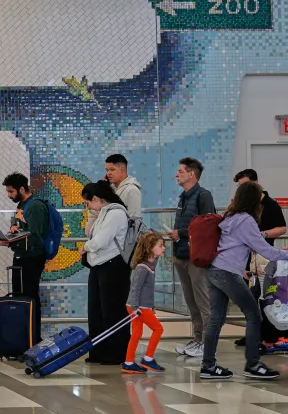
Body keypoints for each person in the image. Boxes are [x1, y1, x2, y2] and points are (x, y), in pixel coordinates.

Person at [200, 181, 288, 380]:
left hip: (214, 270)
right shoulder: (246, 220)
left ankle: (208, 366)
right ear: (254, 200)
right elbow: (263, 248)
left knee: (216, 319)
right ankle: (253, 364)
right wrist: (285, 255)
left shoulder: (229, 216)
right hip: (227, 273)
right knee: (253, 315)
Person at [232, 169, 287, 348]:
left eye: (244, 186)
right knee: (249, 297)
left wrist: (261, 235)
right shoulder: (245, 207)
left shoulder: (270, 205)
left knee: (264, 297)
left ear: (255, 183)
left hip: (264, 258)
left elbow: (282, 228)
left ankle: (267, 336)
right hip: (246, 257)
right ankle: (253, 334)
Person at [80, 181, 132, 365]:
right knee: (96, 311)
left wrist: (85, 247)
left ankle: (116, 352)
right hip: (99, 267)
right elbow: (91, 233)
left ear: (96, 199)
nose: (88, 206)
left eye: (88, 203)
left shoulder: (117, 213)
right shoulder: (103, 212)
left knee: (112, 311)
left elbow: (100, 241)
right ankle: (99, 350)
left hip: (113, 267)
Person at [170, 158, 217, 358]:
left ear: (191, 174)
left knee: (202, 300)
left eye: (180, 171)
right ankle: (198, 338)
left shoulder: (203, 196)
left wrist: (180, 232)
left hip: (196, 257)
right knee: (191, 301)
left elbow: (208, 224)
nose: (177, 174)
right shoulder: (183, 197)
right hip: (181, 255)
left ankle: (206, 342)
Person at [0, 173, 48, 342]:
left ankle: (33, 337)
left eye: (11, 191)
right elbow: (21, 229)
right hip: (21, 256)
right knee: (19, 296)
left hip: (32, 258)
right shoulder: (23, 205)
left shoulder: (35, 206)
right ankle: (22, 337)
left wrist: (12, 242)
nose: (9, 195)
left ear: (21, 189)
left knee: (30, 296)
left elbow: (35, 236)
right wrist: (11, 233)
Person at [122, 232, 166, 374]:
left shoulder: (149, 266)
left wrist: (151, 306)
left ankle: (128, 362)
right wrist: (135, 307)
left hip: (139, 306)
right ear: (150, 248)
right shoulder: (142, 268)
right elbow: (135, 288)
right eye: (160, 246)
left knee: (136, 333)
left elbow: (148, 291)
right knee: (158, 329)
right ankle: (148, 358)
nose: (164, 248)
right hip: (138, 307)